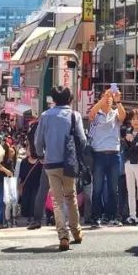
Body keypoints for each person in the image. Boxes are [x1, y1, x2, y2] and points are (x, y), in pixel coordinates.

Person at [34, 86, 87, 251]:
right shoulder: (74, 115)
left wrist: (41, 154)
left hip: (51, 162)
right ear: (70, 100)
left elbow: (38, 141)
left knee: (57, 200)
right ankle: (76, 232)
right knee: (71, 196)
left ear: (53, 100)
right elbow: (83, 140)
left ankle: (63, 236)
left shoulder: (45, 116)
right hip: (69, 162)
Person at [87, 86, 126, 226]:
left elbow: (123, 116)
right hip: (99, 155)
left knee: (113, 188)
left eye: (110, 97)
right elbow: (91, 114)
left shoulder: (115, 113)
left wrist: (118, 101)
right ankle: (95, 216)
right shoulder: (97, 115)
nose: (109, 99)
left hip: (114, 154)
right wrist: (102, 100)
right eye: (106, 97)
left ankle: (112, 216)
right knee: (97, 188)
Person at [121, 108, 138, 224]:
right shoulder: (127, 131)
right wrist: (126, 139)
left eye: (137, 119)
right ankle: (132, 215)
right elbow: (124, 148)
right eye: (133, 119)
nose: (135, 121)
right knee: (130, 190)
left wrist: (137, 140)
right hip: (128, 163)